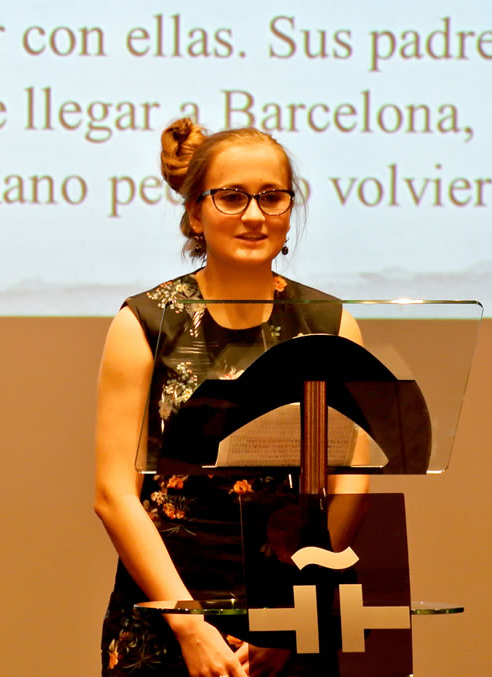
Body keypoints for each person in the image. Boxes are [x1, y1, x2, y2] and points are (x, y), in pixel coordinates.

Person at [94, 118, 367, 677]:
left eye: (271, 196)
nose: (254, 214)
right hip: (167, 616)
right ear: (196, 214)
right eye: (232, 196)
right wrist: (188, 623)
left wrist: (291, 618)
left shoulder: (329, 324)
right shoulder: (146, 322)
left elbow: (351, 486)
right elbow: (113, 496)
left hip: (292, 614)